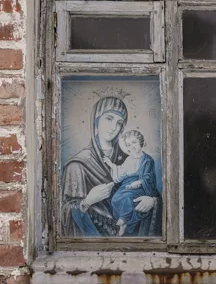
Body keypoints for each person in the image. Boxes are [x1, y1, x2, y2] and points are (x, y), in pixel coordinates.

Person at [61, 96, 162, 237]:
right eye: (108, 119)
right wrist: (88, 201)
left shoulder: (132, 157)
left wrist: (152, 202)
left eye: (119, 123)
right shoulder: (78, 165)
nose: (114, 127)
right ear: (96, 120)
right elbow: (64, 213)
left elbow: (151, 189)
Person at [103, 130, 159, 236]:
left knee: (128, 198)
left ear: (140, 143)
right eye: (128, 144)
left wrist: (139, 182)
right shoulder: (129, 159)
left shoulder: (147, 160)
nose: (131, 146)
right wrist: (111, 165)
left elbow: (149, 177)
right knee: (115, 198)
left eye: (134, 142)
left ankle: (124, 220)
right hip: (127, 185)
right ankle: (124, 222)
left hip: (141, 188)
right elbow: (122, 171)